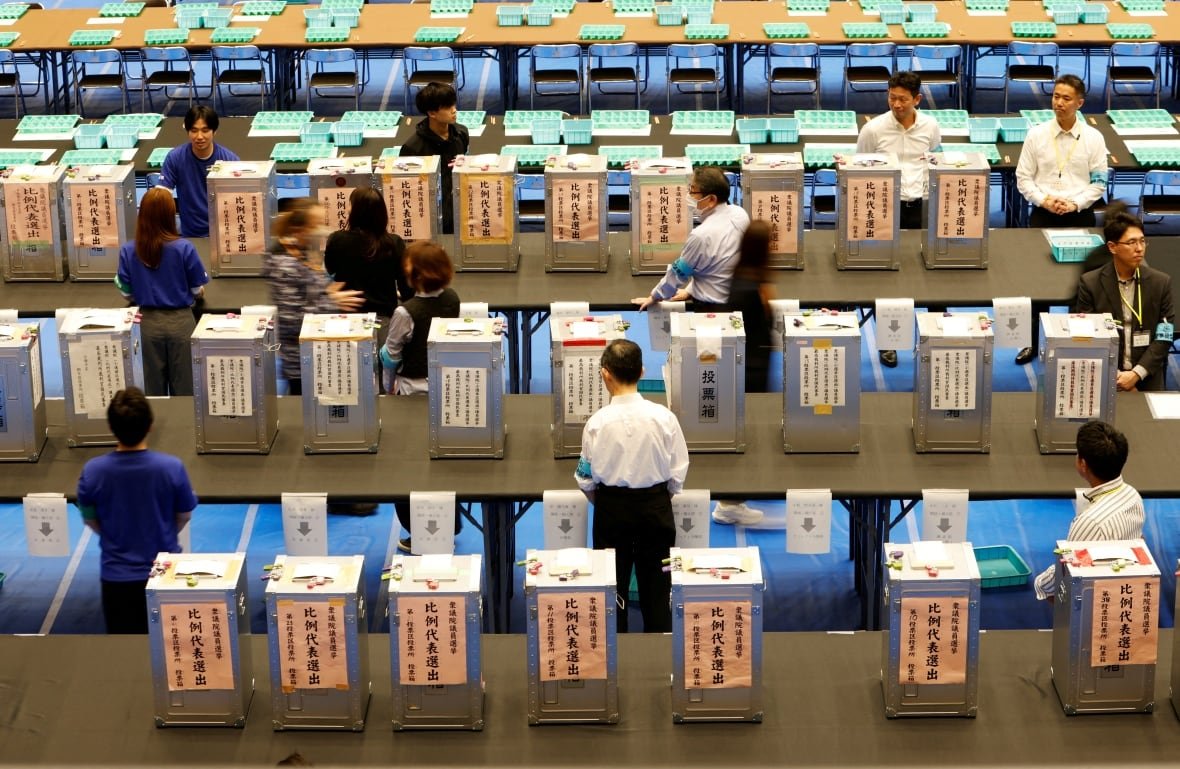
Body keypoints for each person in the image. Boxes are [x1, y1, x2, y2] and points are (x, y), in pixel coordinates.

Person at [575, 339, 690, 633]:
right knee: (659, 586)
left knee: (612, 589)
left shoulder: (597, 423)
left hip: (611, 513)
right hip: (657, 512)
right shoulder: (664, 417)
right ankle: (662, 654)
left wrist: (605, 504)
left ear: (605, 374)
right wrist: (658, 500)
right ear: (641, 372)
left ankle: (616, 659)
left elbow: (585, 478)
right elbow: (678, 473)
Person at [76, 388, 198, 634]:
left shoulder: (92, 471)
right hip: (163, 575)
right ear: (150, 425)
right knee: (170, 652)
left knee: (123, 654)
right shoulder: (171, 468)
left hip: (116, 579)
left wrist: (113, 535)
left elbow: (89, 519)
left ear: (111, 427)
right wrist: (164, 532)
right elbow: (184, 514)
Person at [1014, 73, 1110, 366]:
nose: (1059, 103)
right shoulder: (1037, 135)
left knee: (1079, 284)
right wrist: (1045, 200)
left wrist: (1074, 202)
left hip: (1079, 216)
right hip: (1044, 214)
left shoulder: (1093, 137)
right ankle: (1029, 343)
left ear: (1079, 103)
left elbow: (1099, 182)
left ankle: (1072, 344)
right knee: (1036, 282)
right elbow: (1023, 178)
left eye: (1066, 98)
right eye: (1056, 96)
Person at [855, 70, 941, 368]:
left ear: (917, 99)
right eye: (892, 98)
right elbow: (860, 168)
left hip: (921, 207)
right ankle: (888, 344)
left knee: (930, 271)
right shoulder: (873, 130)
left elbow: (935, 161)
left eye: (903, 99)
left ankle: (937, 335)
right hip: (884, 209)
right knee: (886, 277)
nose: (896, 104)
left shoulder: (930, 127)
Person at [380, 241, 461, 552]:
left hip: (411, 393)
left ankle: (419, 531)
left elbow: (391, 356)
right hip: (445, 391)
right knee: (442, 463)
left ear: (412, 275)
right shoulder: (452, 299)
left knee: (408, 466)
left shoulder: (405, 312)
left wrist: (383, 371)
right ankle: (448, 525)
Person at [1034, 421, 1144, 602]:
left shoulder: (1090, 523)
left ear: (1082, 464)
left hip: (1098, 598)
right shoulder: (1133, 495)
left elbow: (1065, 572)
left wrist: (1039, 583)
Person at [263, 198, 364, 396]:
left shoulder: (300, 252)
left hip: (316, 352)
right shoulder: (284, 264)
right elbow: (293, 319)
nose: (322, 230)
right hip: (301, 360)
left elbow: (308, 295)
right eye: (316, 225)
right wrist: (331, 302)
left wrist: (326, 292)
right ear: (299, 229)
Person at [115, 187, 209, 396]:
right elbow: (196, 289)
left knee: (151, 392)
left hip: (145, 326)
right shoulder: (184, 248)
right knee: (186, 392)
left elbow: (126, 294)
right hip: (181, 325)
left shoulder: (128, 250)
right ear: (170, 216)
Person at [711, 220, 773, 526]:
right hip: (749, 369)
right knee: (743, 431)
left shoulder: (747, 275)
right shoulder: (746, 286)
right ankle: (729, 504)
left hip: (755, 365)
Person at [1073, 204, 1174, 391]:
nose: (1139, 249)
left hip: (1147, 376)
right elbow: (1087, 335)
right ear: (1112, 247)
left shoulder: (1161, 283)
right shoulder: (1090, 283)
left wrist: (1136, 375)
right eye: (1131, 243)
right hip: (1105, 376)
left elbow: (1164, 336)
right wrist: (1116, 377)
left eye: (1143, 241)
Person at [324, 187, 412, 391]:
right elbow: (406, 288)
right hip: (385, 322)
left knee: (351, 381)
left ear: (356, 211)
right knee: (384, 381)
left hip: (348, 321)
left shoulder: (337, 240)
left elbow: (331, 272)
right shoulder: (394, 243)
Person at [632, 166, 750, 313]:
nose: (688, 195)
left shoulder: (700, 235)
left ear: (712, 199)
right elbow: (716, 263)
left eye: (693, 191)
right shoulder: (740, 215)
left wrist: (655, 296)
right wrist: (690, 290)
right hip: (741, 302)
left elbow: (679, 272)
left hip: (711, 308)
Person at [398, 82, 470, 234]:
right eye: (447, 107)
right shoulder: (413, 148)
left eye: (453, 104)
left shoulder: (461, 133)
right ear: (432, 113)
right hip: (430, 218)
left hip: (460, 210)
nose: (454, 110)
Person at [158, 105, 240, 239]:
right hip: (190, 236)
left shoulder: (230, 161)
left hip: (225, 236)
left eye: (205, 130)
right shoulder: (175, 158)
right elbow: (161, 198)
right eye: (194, 130)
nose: (199, 136)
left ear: (214, 131)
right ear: (188, 131)